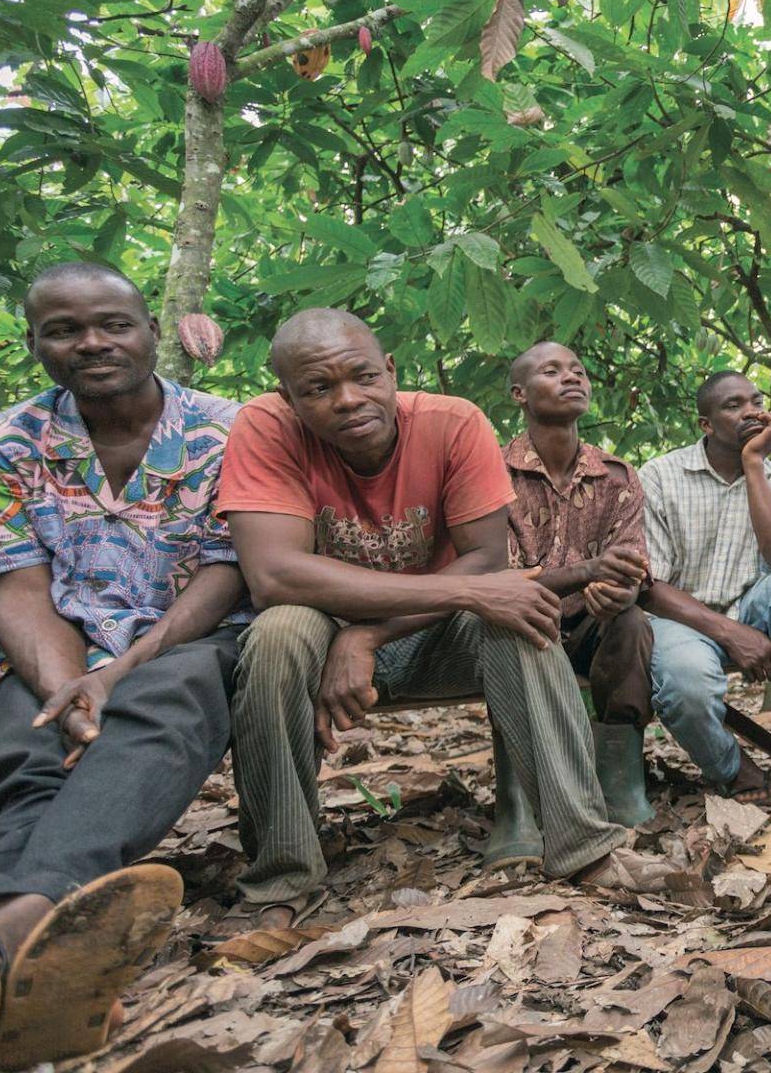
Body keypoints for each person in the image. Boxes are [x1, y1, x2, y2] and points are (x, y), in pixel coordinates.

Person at [221, 310, 625, 926]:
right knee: (274, 636)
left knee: (520, 610)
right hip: (316, 625)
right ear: (289, 397)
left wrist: (369, 634)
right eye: (318, 389)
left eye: (362, 377)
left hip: (430, 627)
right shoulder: (264, 426)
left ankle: (583, 847)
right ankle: (282, 878)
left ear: (389, 371)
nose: (348, 400)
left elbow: (486, 559)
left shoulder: (452, 422)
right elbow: (275, 576)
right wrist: (347, 631)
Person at [0, 264, 247, 1065]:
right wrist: (67, 692)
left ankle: (6, 930)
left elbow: (228, 571)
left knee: (176, 691)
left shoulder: (231, 432)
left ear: (152, 331)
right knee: (23, 742)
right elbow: (16, 590)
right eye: (64, 330)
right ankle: (14, 965)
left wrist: (115, 677)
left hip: (182, 639)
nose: (91, 342)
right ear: (35, 345)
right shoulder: (1, 445)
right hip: (50, 645)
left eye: (113, 324)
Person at [639, 372, 771, 814]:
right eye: (734, 406)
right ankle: (733, 769)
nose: (752, 411)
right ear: (706, 425)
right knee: (686, 685)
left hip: (753, 610)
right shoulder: (659, 476)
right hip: (679, 620)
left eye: (757, 401)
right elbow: (648, 586)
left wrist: (754, 465)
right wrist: (729, 634)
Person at [502, 341, 656, 841]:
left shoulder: (616, 475)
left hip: (591, 627)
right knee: (509, 621)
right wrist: (589, 569)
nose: (573, 378)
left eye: (580, 371)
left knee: (631, 622)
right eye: (553, 371)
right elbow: (495, 583)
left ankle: (621, 784)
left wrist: (620, 594)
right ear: (519, 394)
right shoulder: (491, 473)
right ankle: (519, 804)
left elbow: (630, 567)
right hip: (525, 623)